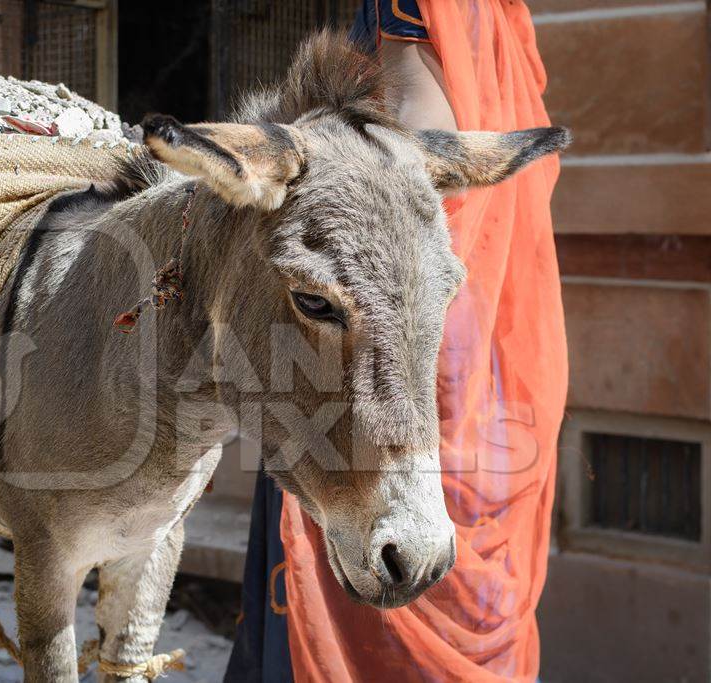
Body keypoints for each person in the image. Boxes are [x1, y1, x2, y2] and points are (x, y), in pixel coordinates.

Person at [226, 1, 567, 681]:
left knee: (376, 526)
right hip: (495, 339)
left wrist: (311, 157)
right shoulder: (496, 15)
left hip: (401, 324)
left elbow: (419, 120)